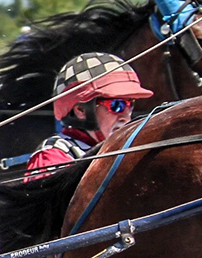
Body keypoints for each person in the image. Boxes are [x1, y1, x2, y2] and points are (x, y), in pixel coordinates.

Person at [23, 52, 152, 179]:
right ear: (81, 110)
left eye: (130, 105)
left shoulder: (130, 149)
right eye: (117, 105)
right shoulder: (53, 156)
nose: (126, 117)